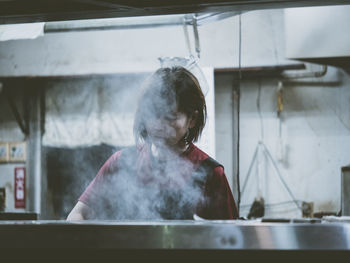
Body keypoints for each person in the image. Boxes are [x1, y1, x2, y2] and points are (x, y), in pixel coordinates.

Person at [67, 66, 239, 220]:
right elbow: (79, 213)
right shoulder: (121, 163)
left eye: (171, 118)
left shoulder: (210, 173)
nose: (159, 126)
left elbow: (231, 239)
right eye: (152, 115)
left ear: (192, 119)